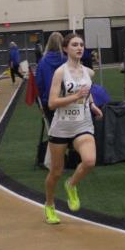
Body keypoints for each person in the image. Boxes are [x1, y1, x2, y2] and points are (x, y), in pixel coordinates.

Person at [42, 33, 102, 225]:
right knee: (56, 172)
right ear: (65, 48)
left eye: (81, 45)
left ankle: (71, 184)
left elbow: (87, 91)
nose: (79, 48)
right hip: (61, 127)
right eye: (75, 45)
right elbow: (52, 103)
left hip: (83, 124)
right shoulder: (60, 73)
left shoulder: (88, 72)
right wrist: (75, 97)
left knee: (89, 161)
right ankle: (49, 205)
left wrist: (92, 104)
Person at [35, 32, 65, 124]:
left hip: (49, 102)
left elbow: (39, 84)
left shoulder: (42, 62)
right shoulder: (67, 60)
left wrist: (40, 102)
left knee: (53, 129)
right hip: (66, 100)